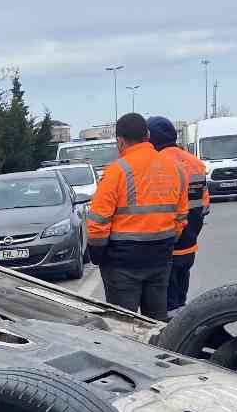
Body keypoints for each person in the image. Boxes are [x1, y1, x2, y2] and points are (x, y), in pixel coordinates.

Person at [82, 112, 187, 321]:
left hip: (122, 263)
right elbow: (181, 217)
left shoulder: (117, 172)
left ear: (120, 141)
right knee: (156, 320)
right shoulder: (175, 169)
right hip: (160, 258)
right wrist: (165, 242)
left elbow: (97, 222)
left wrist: (98, 254)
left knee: (123, 323)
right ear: (147, 136)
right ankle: (159, 352)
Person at [148, 115, 207, 313]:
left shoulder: (157, 164)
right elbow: (204, 205)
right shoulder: (196, 163)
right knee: (181, 298)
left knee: (167, 304)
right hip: (190, 243)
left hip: (166, 245)